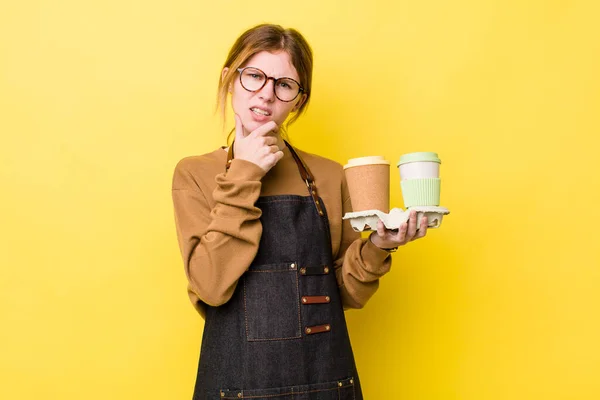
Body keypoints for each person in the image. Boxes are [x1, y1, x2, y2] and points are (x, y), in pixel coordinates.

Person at [172, 23, 429, 400]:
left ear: (298, 99)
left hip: (325, 385)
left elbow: (343, 293)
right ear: (230, 79)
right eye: (254, 76)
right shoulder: (194, 173)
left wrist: (379, 244)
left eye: (284, 84)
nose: (266, 94)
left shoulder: (328, 174)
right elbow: (210, 286)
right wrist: (245, 173)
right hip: (235, 388)